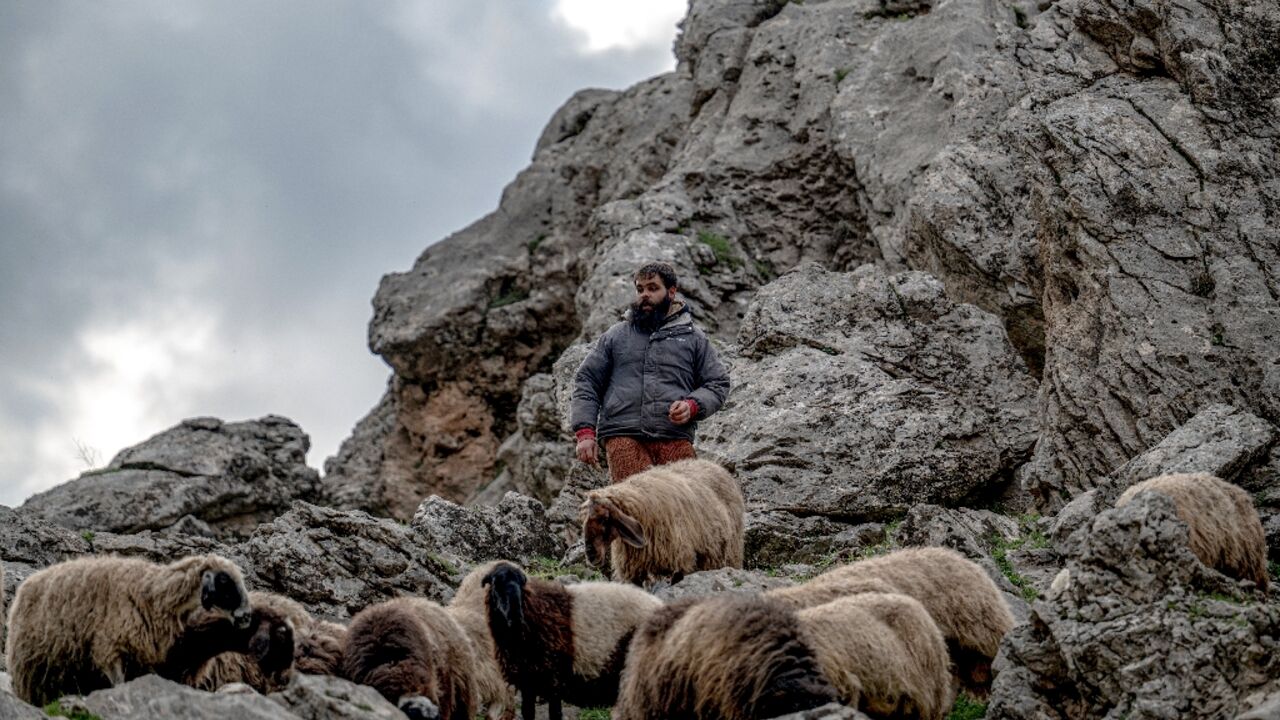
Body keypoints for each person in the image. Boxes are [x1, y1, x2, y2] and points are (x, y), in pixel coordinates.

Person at [570, 261, 731, 482]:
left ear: (671, 292)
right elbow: (587, 381)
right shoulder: (616, 335)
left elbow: (717, 383)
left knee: (687, 504)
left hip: (673, 435)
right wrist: (585, 433)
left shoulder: (694, 338)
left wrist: (692, 405)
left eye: (653, 288)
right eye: (640, 289)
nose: (644, 294)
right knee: (635, 506)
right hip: (623, 435)